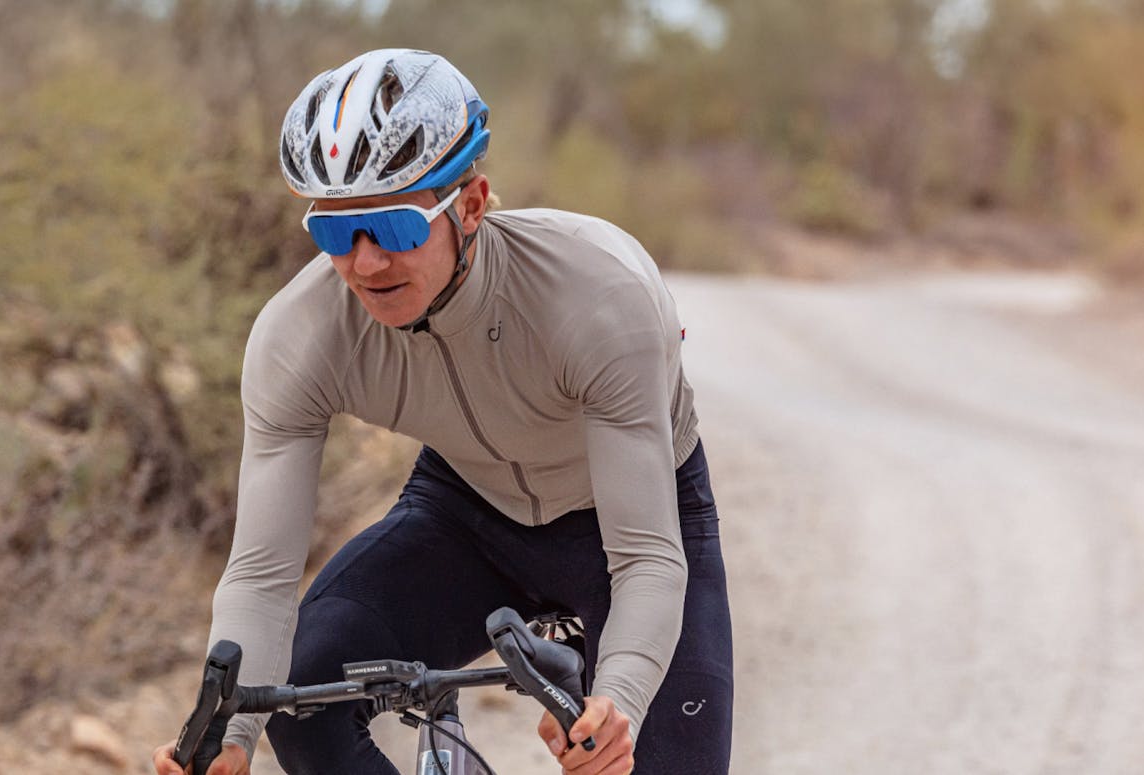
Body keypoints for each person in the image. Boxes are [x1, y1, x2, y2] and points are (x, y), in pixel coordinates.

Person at [151, 49, 733, 775]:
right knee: (301, 704)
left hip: (635, 524)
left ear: (473, 203)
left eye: (392, 228)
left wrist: (616, 705)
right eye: (335, 233)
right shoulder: (299, 335)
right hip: (468, 509)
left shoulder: (597, 294)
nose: (364, 264)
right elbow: (262, 575)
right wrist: (226, 736)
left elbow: (646, 557)